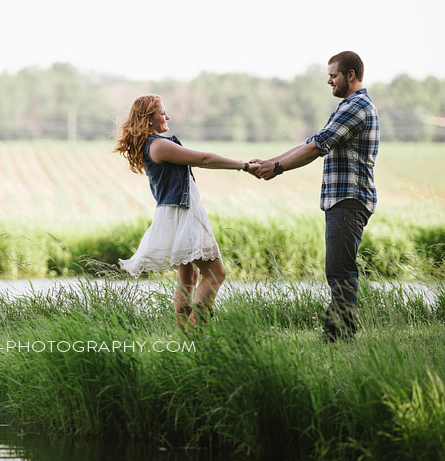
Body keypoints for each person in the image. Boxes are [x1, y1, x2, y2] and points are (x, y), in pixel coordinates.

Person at [250, 51, 378, 342]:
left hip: (349, 199)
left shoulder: (355, 106)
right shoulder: (351, 106)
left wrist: (277, 168)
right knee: (338, 270)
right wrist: (270, 161)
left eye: (333, 75)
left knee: (341, 271)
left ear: (350, 75)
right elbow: (311, 143)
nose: (328, 80)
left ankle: (340, 338)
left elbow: (317, 147)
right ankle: (336, 337)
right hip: (343, 200)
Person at [114, 94, 258, 332]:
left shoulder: (152, 144)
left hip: (175, 213)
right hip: (184, 215)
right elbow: (204, 158)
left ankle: (185, 335)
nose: (167, 116)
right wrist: (244, 165)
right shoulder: (158, 145)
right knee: (216, 274)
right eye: (162, 113)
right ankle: (195, 334)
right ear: (148, 119)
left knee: (188, 279)